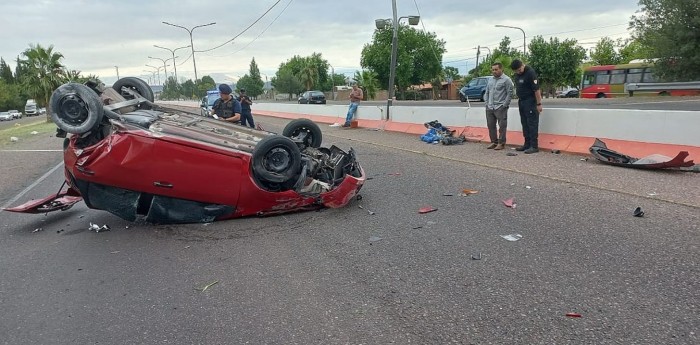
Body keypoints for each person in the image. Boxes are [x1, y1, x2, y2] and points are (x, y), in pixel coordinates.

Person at [510, 59, 543, 154]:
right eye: (516, 71)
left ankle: (534, 146)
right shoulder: (518, 74)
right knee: (524, 123)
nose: (518, 72)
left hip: (531, 101)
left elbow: (536, 90)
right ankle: (527, 144)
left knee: (532, 124)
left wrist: (539, 104)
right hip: (522, 101)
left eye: (519, 69)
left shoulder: (530, 73)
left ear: (522, 65)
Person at [483, 62, 514, 150]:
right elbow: (487, 92)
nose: (494, 71)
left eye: (496, 69)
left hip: (500, 107)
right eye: (493, 70)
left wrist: (505, 105)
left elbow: (510, 93)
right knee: (490, 125)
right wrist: (487, 103)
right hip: (490, 106)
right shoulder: (490, 80)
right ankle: (494, 142)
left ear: (501, 69)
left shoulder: (507, 80)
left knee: (502, 126)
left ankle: (501, 143)